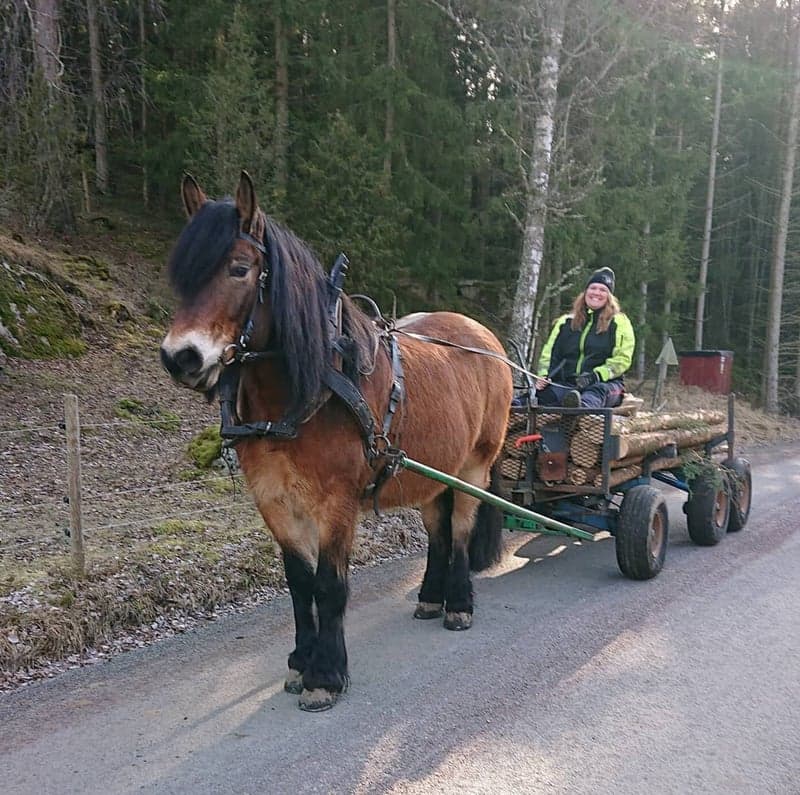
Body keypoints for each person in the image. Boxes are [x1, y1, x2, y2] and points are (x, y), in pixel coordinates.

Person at [533, 267, 635, 409]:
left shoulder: (619, 322)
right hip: (567, 384)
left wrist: (597, 375)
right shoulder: (566, 322)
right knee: (536, 398)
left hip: (605, 384)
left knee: (591, 396)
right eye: (593, 288)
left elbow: (622, 359)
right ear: (586, 292)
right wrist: (544, 376)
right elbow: (549, 356)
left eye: (602, 290)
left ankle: (575, 416)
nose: (596, 293)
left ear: (609, 296)